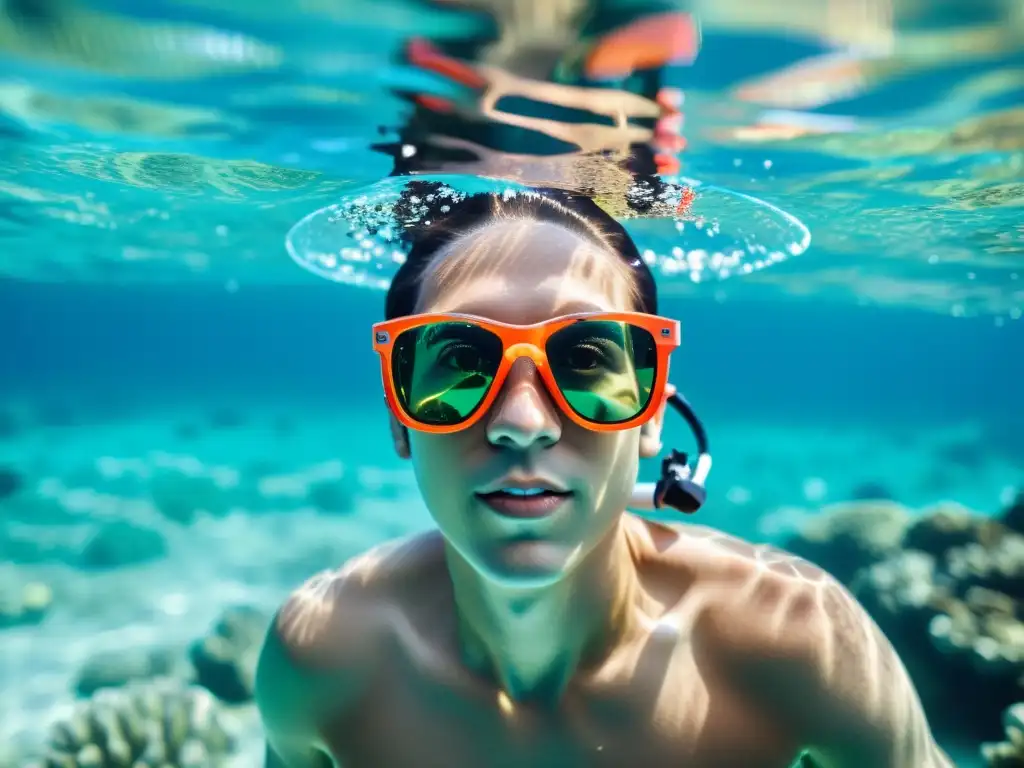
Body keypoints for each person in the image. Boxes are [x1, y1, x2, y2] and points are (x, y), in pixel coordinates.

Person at [256, 186, 952, 768]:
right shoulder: (321, 657)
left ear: (652, 416)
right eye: (458, 363)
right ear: (399, 419)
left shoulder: (800, 643)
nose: (523, 422)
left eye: (587, 362)